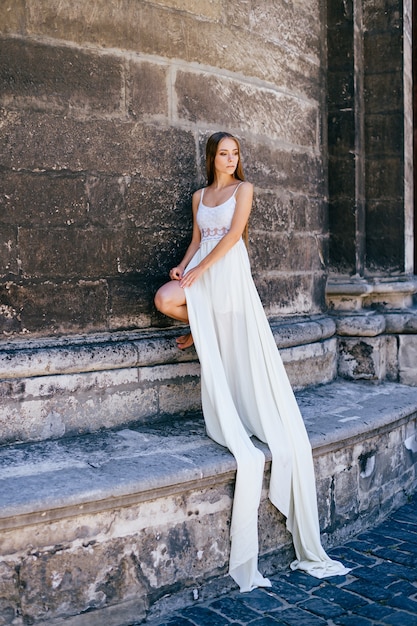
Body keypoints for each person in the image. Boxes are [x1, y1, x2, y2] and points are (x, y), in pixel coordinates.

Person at [154, 131, 350, 592]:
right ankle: (198, 327)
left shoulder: (245, 190)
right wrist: (186, 267)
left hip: (228, 271)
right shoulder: (200, 195)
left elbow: (233, 236)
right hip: (203, 267)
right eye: (223, 153)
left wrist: (203, 268)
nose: (230, 158)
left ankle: (200, 330)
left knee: (222, 321)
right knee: (166, 298)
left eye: (235, 153)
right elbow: (199, 237)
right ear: (212, 158)